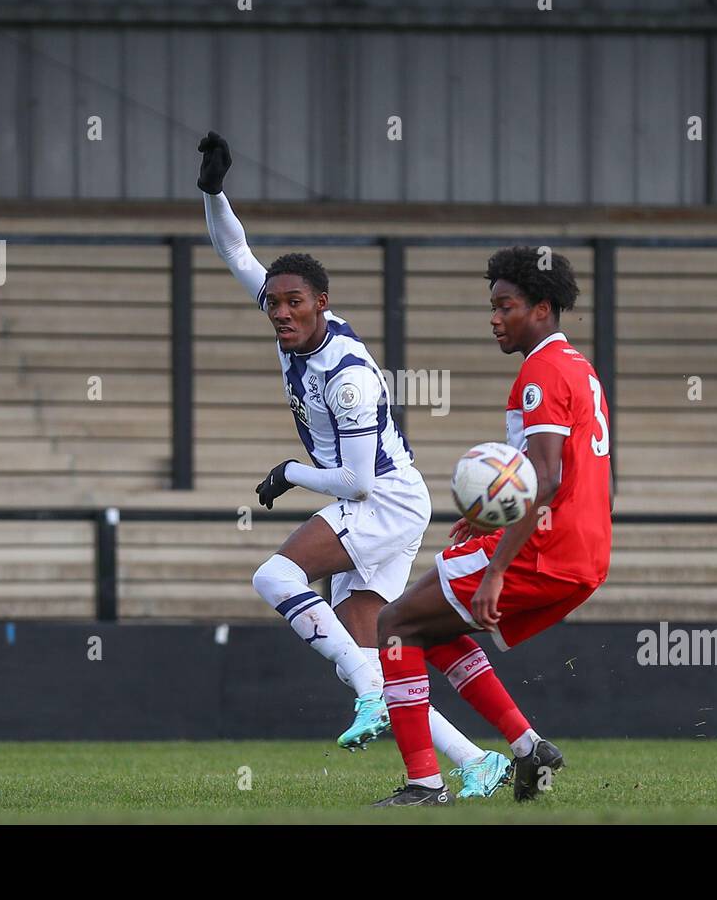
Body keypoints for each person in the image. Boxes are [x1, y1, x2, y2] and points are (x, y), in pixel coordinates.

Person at [196, 132, 511, 797]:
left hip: (384, 501)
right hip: (381, 502)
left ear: (321, 304)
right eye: (274, 303)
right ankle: (476, 764)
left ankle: (371, 693)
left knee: (275, 574)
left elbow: (358, 482)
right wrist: (213, 191)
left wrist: (290, 472)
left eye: (293, 303)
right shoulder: (287, 321)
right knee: (370, 657)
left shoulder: (345, 375)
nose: (280, 312)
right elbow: (233, 250)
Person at [371, 247, 613, 807]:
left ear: (543, 308)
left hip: (544, 548)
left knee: (394, 624)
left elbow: (546, 478)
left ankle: (425, 786)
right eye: (493, 306)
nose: (495, 317)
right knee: (428, 631)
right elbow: (554, 472)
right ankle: (528, 748)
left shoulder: (542, 371)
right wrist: (484, 515)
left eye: (507, 305)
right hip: (583, 553)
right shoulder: (578, 365)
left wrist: (497, 568)